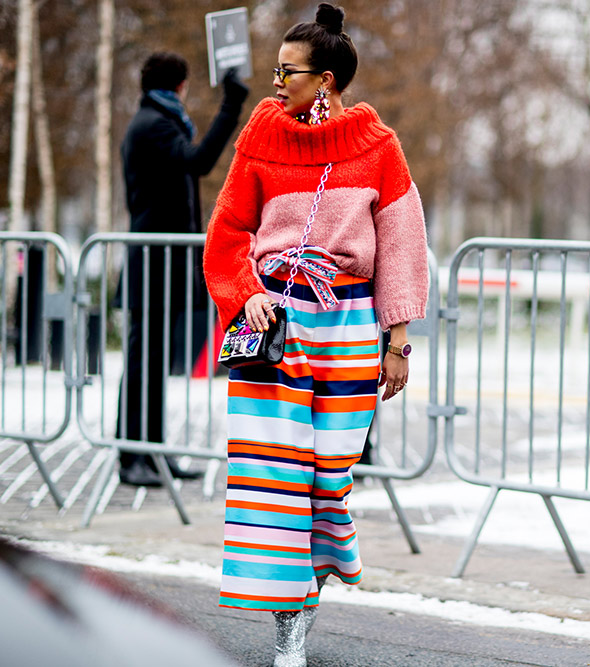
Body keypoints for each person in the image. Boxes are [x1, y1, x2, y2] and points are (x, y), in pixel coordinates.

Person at [202, 5, 428, 666]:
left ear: (325, 79)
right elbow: (226, 232)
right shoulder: (261, 137)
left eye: (288, 71)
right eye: (275, 69)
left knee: (330, 479)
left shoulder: (378, 147)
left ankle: (308, 597)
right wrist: (247, 294)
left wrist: (397, 344)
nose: (276, 83)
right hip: (275, 329)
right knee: (275, 480)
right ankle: (288, 630)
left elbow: (403, 248)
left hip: (351, 328)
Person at [116, 52, 249, 487]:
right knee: (143, 362)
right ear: (181, 85)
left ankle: (151, 452)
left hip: (162, 263)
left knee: (151, 363)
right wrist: (230, 106)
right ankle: (133, 456)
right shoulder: (155, 125)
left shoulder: (155, 120)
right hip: (154, 261)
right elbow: (198, 161)